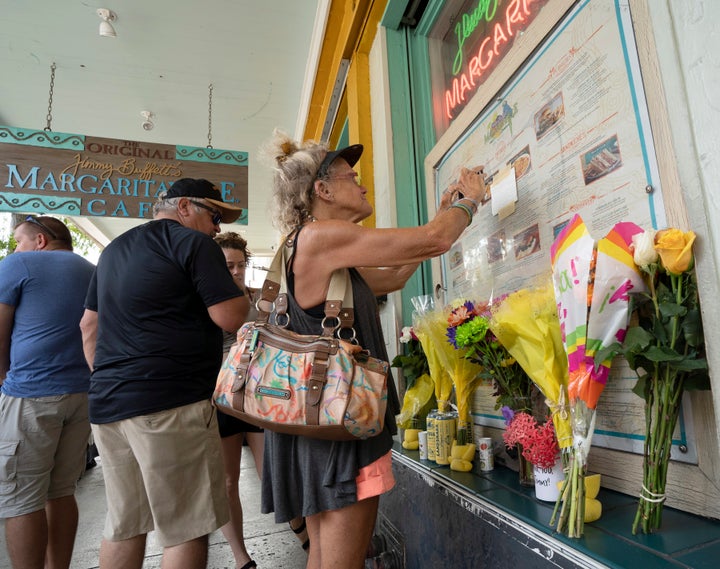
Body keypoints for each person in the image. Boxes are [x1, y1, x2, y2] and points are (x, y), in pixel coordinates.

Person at [259, 130, 486, 569]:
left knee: (326, 557)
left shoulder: (317, 250)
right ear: (322, 190)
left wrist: (442, 215)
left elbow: (396, 276)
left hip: (319, 426)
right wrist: (469, 200)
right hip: (339, 429)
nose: (362, 185)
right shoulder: (322, 237)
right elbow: (437, 239)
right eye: (352, 177)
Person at [79, 178, 249, 569]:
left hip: (109, 405)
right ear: (185, 207)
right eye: (215, 215)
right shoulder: (194, 244)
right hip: (171, 404)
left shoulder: (114, 250)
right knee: (187, 526)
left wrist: (112, 378)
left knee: (125, 524)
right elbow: (230, 317)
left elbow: (89, 327)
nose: (218, 227)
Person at [0, 216, 95, 569]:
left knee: (21, 498)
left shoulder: (20, 264)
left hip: (30, 393)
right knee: (61, 491)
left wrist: (3, 377)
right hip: (82, 394)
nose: (15, 249)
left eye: (19, 241)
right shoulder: (92, 269)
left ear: (39, 240)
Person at [214, 232, 309, 569]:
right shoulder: (207, 302)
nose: (236, 271)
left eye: (241, 264)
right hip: (222, 397)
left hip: (258, 395)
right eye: (228, 265)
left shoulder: (258, 298)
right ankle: (241, 557)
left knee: (273, 468)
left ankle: (300, 529)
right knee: (226, 481)